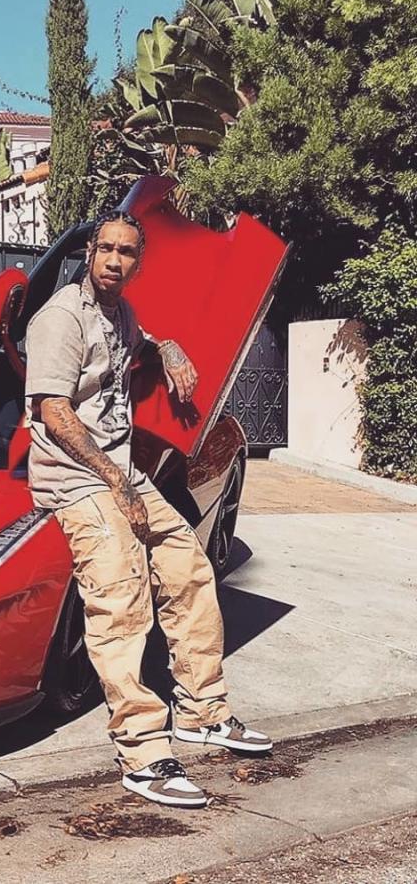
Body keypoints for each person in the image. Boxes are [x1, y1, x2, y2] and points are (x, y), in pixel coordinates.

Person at [24, 210, 272, 809]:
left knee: (190, 572)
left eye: (127, 252)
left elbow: (137, 345)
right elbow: (54, 414)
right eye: (105, 248)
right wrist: (118, 483)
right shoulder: (59, 319)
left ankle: (202, 712)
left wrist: (169, 345)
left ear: (139, 261)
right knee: (122, 602)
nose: (114, 259)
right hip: (78, 479)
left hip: (123, 472)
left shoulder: (122, 313)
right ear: (89, 252)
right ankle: (142, 752)